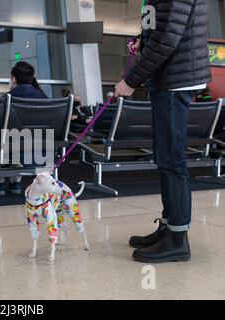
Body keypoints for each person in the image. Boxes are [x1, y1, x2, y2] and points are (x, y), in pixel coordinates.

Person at [115, 0, 211, 263]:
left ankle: (177, 240)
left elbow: (167, 39)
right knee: (164, 157)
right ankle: (169, 227)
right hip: (170, 77)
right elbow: (158, 26)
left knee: (171, 159)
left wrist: (130, 80)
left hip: (176, 78)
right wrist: (141, 40)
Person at [0, 62, 46, 196]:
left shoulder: (8, 98)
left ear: (14, 78)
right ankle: (15, 182)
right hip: (41, 152)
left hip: (11, 150)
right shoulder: (44, 98)